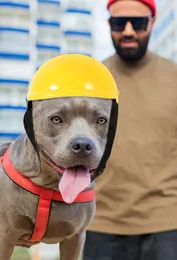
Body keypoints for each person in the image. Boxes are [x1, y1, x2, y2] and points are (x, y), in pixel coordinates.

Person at [83, 0, 177, 259]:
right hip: (100, 225)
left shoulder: (174, 77)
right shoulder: (91, 81)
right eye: (117, 23)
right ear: (108, 25)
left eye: (137, 23)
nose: (127, 31)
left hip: (168, 226)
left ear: (153, 23)